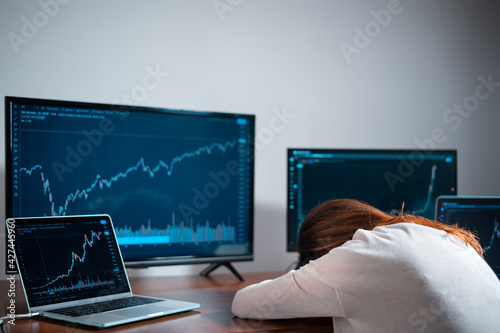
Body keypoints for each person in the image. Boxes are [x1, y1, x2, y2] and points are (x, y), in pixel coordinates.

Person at [232, 199, 500, 332]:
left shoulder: (355, 257)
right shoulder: (439, 234)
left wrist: (301, 276)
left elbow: (243, 303)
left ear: (326, 253)